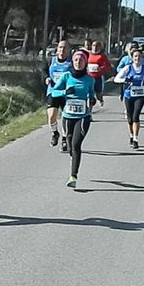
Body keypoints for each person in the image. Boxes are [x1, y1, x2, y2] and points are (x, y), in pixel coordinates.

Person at [51, 49, 96, 188]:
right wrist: (65, 92)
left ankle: (73, 176)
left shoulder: (89, 79)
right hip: (67, 116)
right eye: (76, 60)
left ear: (85, 62)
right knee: (70, 146)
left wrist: (92, 99)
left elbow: (91, 93)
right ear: (73, 61)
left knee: (76, 145)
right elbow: (54, 92)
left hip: (83, 117)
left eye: (81, 60)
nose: (78, 62)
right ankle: (73, 158)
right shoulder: (66, 76)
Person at [114, 48, 144, 149]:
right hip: (128, 95)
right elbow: (116, 79)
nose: (137, 58)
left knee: (136, 116)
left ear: (141, 58)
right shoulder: (127, 68)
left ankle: (135, 139)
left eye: (139, 56)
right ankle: (131, 135)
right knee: (130, 119)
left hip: (140, 95)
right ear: (132, 58)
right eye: (135, 56)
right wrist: (125, 79)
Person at [45, 40, 72, 151]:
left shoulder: (72, 62)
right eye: (60, 47)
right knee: (51, 116)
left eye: (65, 48)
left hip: (67, 93)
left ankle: (65, 139)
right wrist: (45, 78)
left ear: (69, 51)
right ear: (57, 49)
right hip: (53, 91)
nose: (62, 50)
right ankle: (55, 133)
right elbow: (44, 71)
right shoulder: (51, 60)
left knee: (66, 117)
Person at [86, 40, 112, 106]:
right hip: (89, 77)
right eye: (94, 45)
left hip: (98, 77)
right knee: (89, 93)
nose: (95, 47)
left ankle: (100, 99)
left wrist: (101, 68)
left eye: (97, 46)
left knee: (98, 94)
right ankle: (89, 109)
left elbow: (108, 65)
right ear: (91, 46)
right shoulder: (88, 54)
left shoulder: (102, 56)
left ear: (100, 47)